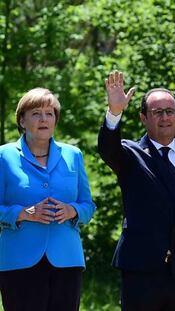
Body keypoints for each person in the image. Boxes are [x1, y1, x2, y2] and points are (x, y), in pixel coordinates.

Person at [97, 71, 175, 311]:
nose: (165, 117)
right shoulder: (130, 154)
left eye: (170, 111)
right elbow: (108, 148)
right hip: (141, 273)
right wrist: (114, 113)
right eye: (157, 112)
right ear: (143, 118)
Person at [0, 88, 96, 311]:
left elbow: (88, 205)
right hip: (18, 261)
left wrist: (73, 211)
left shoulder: (73, 154)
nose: (44, 119)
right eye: (35, 113)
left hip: (67, 260)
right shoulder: (4, 156)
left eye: (49, 113)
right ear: (22, 120)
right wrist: (23, 213)